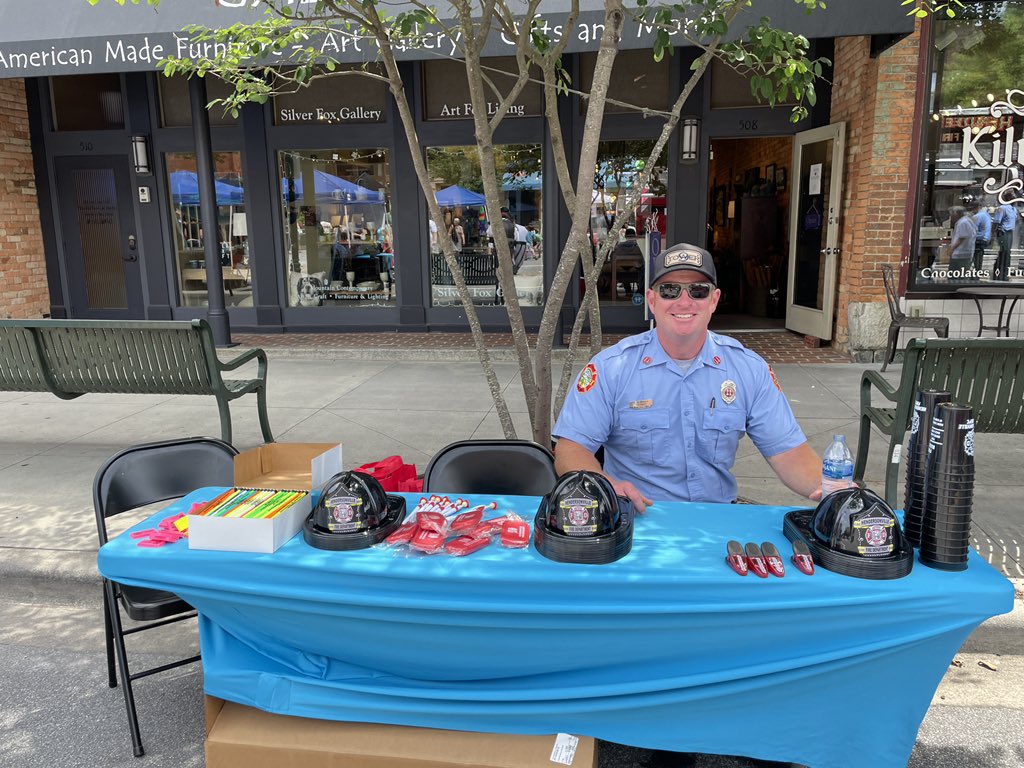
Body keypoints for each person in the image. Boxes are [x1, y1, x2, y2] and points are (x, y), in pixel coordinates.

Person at [553, 243, 823, 515]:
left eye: (698, 290)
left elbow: (789, 452)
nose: (684, 301)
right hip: (637, 518)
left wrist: (836, 491)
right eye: (670, 290)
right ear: (652, 300)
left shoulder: (748, 369)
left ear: (714, 300)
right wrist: (605, 486)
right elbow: (571, 448)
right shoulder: (611, 368)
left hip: (717, 518)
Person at [993, 202, 1018, 280]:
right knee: (1003, 253)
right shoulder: (1002, 208)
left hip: (1010, 232)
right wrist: (993, 233)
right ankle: (998, 274)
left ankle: (1005, 273)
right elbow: (996, 222)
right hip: (1003, 232)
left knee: (1007, 253)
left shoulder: (1014, 209)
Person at [947, 205, 976, 271]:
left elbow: (961, 238)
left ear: (956, 214)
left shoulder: (963, 222)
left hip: (961, 254)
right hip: (963, 253)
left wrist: (951, 249)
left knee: (957, 273)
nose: (951, 217)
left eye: (951, 214)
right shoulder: (965, 221)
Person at [971, 202, 991, 271]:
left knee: (976, 256)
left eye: (973, 208)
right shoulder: (986, 215)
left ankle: (976, 270)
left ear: (976, 208)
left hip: (978, 238)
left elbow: (972, 229)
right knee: (979, 256)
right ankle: (978, 270)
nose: (972, 211)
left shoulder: (977, 216)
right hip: (985, 238)